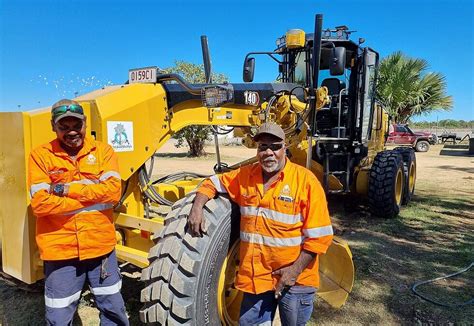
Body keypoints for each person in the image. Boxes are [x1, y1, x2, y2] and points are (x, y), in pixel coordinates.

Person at [188, 122, 334, 325]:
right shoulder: (245, 176)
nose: (268, 152)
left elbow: (319, 238)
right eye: (263, 147)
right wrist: (197, 207)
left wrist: (292, 273)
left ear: (285, 148)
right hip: (257, 279)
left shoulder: (306, 183)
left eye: (275, 146)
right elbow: (211, 182)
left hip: (296, 281)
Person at [28, 99, 129, 325]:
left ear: (85, 123)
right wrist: (91, 194)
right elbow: (41, 204)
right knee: (59, 314)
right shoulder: (40, 155)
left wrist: (67, 189)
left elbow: (113, 194)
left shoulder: (103, 151)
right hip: (60, 250)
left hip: (100, 246)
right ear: (53, 126)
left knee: (113, 308)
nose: (72, 132)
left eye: (77, 125)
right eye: (64, 127)